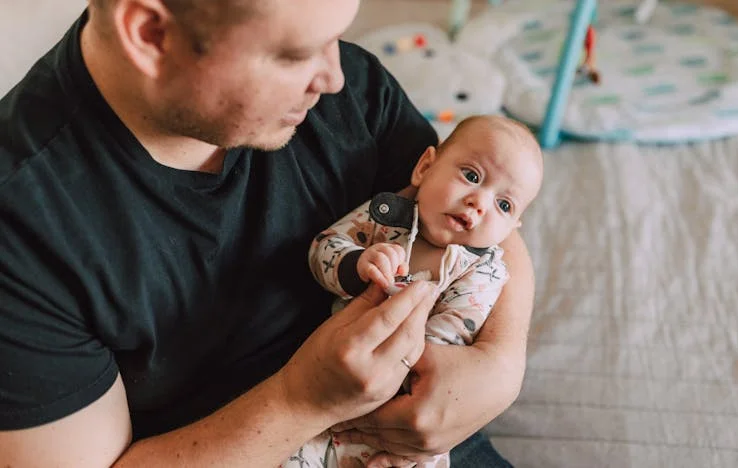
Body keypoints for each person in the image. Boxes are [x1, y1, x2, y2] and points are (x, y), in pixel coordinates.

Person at [0, 0, 536, 466]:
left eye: (336, 37)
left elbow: (477, 211)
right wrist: (304, 399)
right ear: (151, 34)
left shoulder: (349, 88)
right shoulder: (23, 232)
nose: (335, 77)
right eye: (296, 54)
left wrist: (501, 364)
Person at [302, 115, 543, 467]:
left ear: (510, 228)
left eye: (503, 206)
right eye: (472, 176)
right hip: (328, 390)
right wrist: (357, 264)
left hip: (409, 415)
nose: (479, 202)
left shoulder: (482, 273)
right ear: (425, 167)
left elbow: (450, 340)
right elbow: (324, 247)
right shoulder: (384, 217)